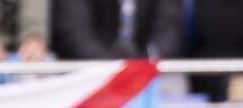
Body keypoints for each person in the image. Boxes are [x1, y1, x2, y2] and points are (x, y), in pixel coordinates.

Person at [50, 0, 187, 60]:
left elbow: (170, 30)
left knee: (173, 88)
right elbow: (75, 34)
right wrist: (115, 69)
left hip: (148, 70)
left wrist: (145, 63)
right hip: (91, 71)